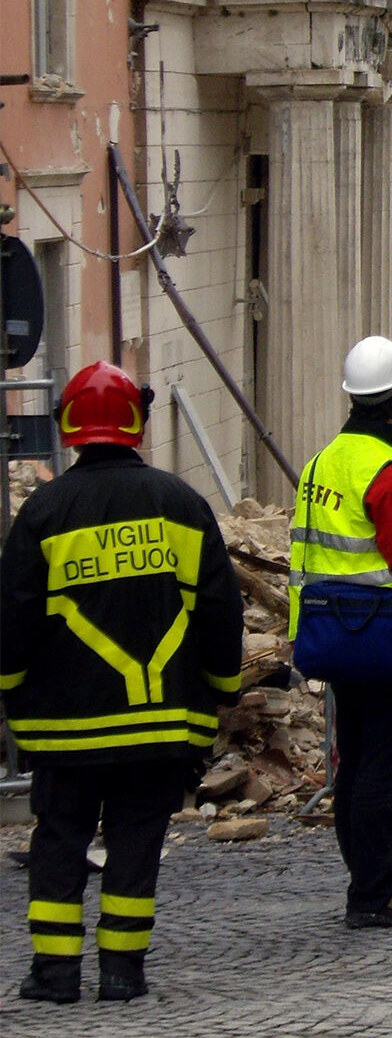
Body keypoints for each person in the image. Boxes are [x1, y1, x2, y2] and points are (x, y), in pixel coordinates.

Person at [0, 361, 244, 1005]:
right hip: (160, 723)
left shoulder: (43, 514)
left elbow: (14, 618)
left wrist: (11, 692)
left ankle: (53, 975)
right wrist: (221, 688)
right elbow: (219, 610)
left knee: (59, 839)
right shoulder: (183, 506)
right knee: (137, 841)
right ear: (136, 422)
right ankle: (122, 972)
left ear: (70, 426)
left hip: (66, 727)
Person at [289, 335, 392, 929]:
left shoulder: (320, 463)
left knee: (354, 766)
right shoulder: (388, 470)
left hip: (333, 638)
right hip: (385, 640)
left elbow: (302, 560)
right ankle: (374, 894)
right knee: (377, 772)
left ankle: (365, 884)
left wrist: (298, 637)